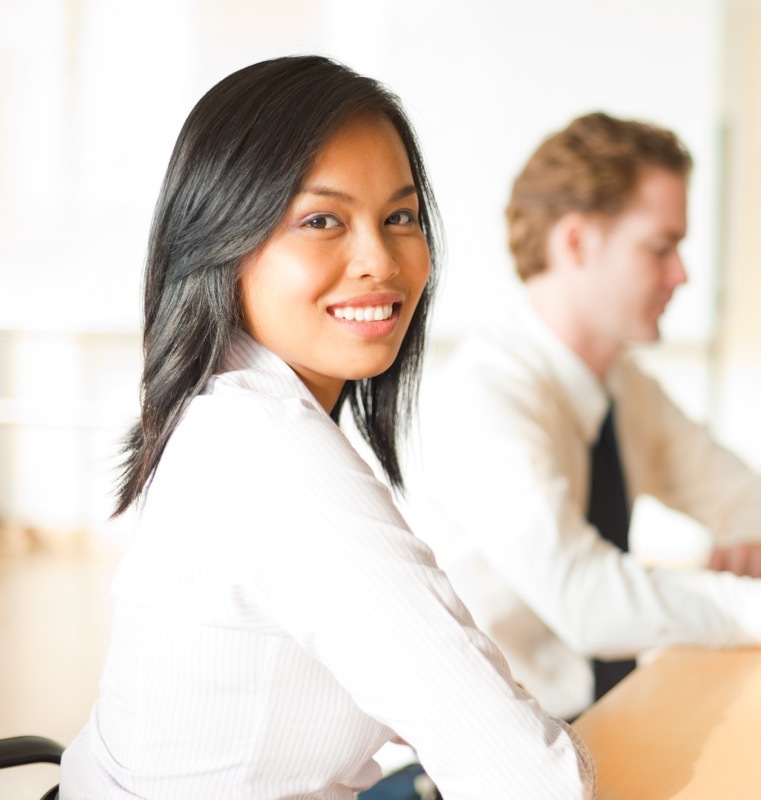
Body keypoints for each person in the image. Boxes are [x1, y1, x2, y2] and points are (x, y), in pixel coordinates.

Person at [59, 56, 593, 799]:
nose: (381, 260)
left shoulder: (230, 410)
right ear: (223, 238)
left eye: (400, 217)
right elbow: (534, 780)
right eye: (322, 221)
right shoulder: (269, 455)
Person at [404, 112, 761, 724]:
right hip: (498, 756)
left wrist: (760, 539)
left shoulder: (625, 388)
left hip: (601, 722)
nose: (682, 274)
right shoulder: (483, 399)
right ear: (576, 242)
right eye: (662, 247)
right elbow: (589, 603)